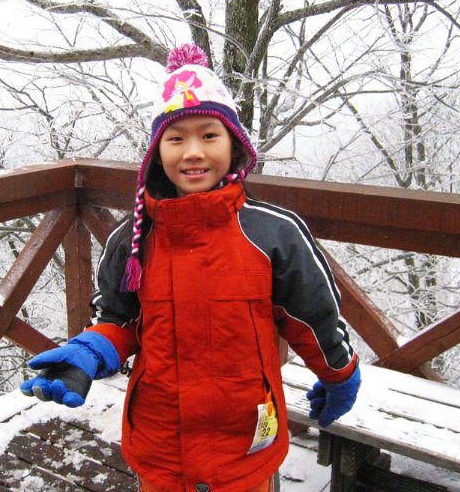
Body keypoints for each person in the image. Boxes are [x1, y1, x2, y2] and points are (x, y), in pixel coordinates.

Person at [21, 44, 361, 492]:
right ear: (156, 152)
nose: (193, 152)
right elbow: (119, 319)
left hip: (245, 444)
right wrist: (91, 349)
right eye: (176, 139)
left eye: (209, 135)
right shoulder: (133, 238)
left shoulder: (273, 233)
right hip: (161, 442)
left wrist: (339, 374)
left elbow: (315, 317)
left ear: (234, 144)